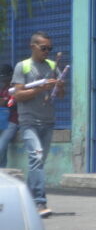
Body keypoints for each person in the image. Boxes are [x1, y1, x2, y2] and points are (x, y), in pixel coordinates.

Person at [12, 31, 65, 217]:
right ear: (33, 46)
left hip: (48, 121)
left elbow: (61, 95)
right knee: (36, 158)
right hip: (29, 121)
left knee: (38, 162)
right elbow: (17, 95)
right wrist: (40, 87)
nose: (47, 52)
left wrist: (59, 86)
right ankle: (40, 203)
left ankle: (24, 200)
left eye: (50, 48)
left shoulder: (52, 65)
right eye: (44, 48)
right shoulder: (23, 67)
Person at [0, 64, 18, 168]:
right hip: (3, 121)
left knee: (1, 147)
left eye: (6, 78)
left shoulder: (16, 87)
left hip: (13, 121)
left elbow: (13, 103)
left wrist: (5, 102)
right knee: (3, 152)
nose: (4, 81)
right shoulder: (4, 89)